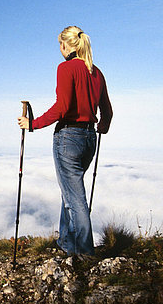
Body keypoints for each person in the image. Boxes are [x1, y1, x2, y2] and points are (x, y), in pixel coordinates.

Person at [18, 25, 112, 256]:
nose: (59, 49)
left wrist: (32, 124)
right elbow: (107, 111)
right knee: (70, 190)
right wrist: (102, 126)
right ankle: (67, 243)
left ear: (65, 45)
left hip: (68, 137)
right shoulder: (96, 72)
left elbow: (62, 108)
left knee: (74, 197)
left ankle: (83, 252)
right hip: (90, 139)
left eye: (60, 44)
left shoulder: (66, 68)